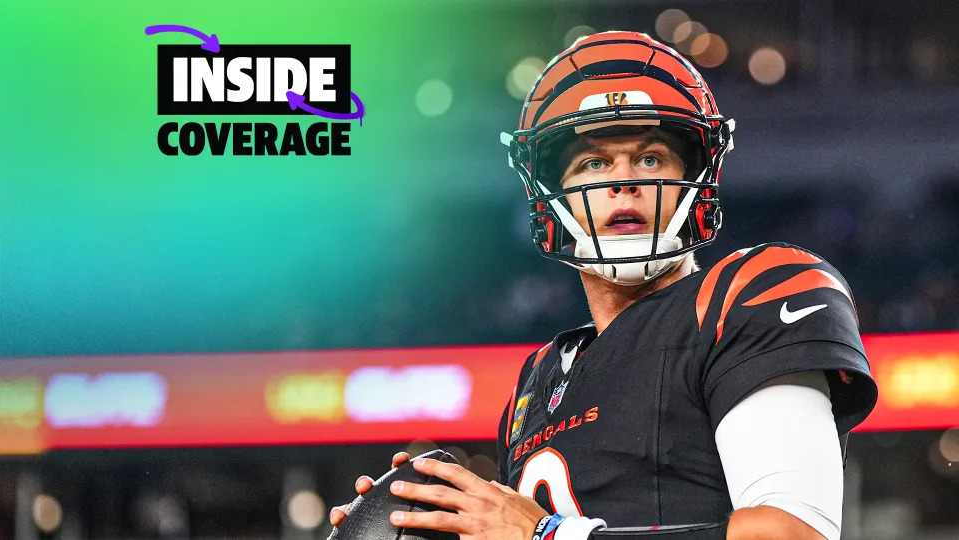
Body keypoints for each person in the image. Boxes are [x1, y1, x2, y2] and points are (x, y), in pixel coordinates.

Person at [329, 31, 878, 540]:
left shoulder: (749, 293)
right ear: (551, 196)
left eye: (649, 158)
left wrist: (547, 534)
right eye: (593, 163)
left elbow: (791, 533)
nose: (623, 183)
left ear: (697, 179)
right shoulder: (539, 377)